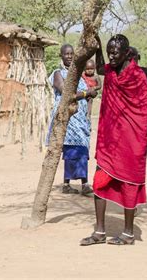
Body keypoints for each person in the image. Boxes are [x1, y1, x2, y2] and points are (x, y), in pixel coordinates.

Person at [80, 34, 147, 246]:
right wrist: (97, 48)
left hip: (132, 139)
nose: (111, 56)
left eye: (115, 52)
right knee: (98, 182)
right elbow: (99, 67)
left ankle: (129, 233)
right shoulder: (109, 71)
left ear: (126, 53)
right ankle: (99, 232)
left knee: (129, 183)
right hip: (110, 140)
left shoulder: (142, 73)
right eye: (109, 52)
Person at [47, 44, 96, 195]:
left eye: (71, 54)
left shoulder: (78, 74)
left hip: (80, 119)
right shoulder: (57, 74)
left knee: (83, 149)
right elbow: (65, 93)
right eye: (66, 54)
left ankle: (85, 183)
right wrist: (86, 93)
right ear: (61, 56)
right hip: (67, 118)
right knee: (70, 151)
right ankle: (67, 184)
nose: (69, 56)